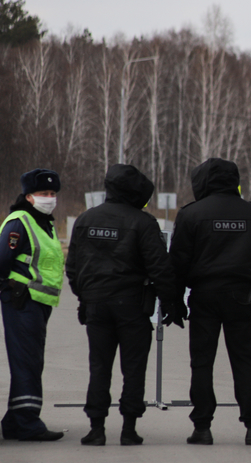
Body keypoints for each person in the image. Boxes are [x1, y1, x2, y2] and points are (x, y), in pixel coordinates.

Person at [65, 164, 182, 446]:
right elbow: (160, 269)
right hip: (132, 307)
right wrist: (172, 303)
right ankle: (129, 429)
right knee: (133, 368)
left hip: (96, 305)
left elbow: (73, 268)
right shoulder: (143, 223)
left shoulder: (85, 219)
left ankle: (96, 429)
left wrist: (85, 297)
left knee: (99, 367)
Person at [169, 158, 251, 446]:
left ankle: (202, 427)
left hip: (204, 296)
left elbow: (177, 264)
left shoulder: (191, 215)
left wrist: (175, 302)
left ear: (202, 181)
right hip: (243, 297)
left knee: (202, 363)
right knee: (246, 363)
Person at [0, 169, 65, 441]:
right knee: (28, 362)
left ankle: (14, 420)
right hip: (22, 301)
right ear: (29, 196)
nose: (50, 198)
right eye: (44, 193)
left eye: (53, 194)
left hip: (38, 302)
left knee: (29, 361)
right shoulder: (20, 221)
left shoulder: (44, 223)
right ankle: (28, 423)